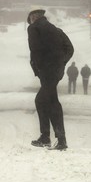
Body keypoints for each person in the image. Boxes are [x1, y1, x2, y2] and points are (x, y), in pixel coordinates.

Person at [27, 9, 74, 150]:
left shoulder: (33, 28)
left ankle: (48, 138)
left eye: (29, 20)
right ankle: (59, 140)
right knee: (51, 102)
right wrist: (61, 63)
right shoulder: (56, 30)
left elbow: (35, 50)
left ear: (33, 18)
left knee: (41, 101)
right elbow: (70, 48)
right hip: (55, 72)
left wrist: (40, 67)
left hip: (47, 73)